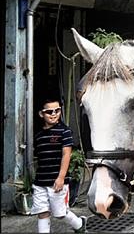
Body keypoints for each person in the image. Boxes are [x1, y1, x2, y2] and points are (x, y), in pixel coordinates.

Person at [31, 97, 87, 233]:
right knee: (42, 212)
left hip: (57, 181)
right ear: (41, 114)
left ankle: (79, 224)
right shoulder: (38, 135)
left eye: (57, 110)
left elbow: (66, 155)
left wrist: (61, 178)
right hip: (40, 181)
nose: (54, 114)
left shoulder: (64, 132)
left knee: (60, 213)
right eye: (49, 111)